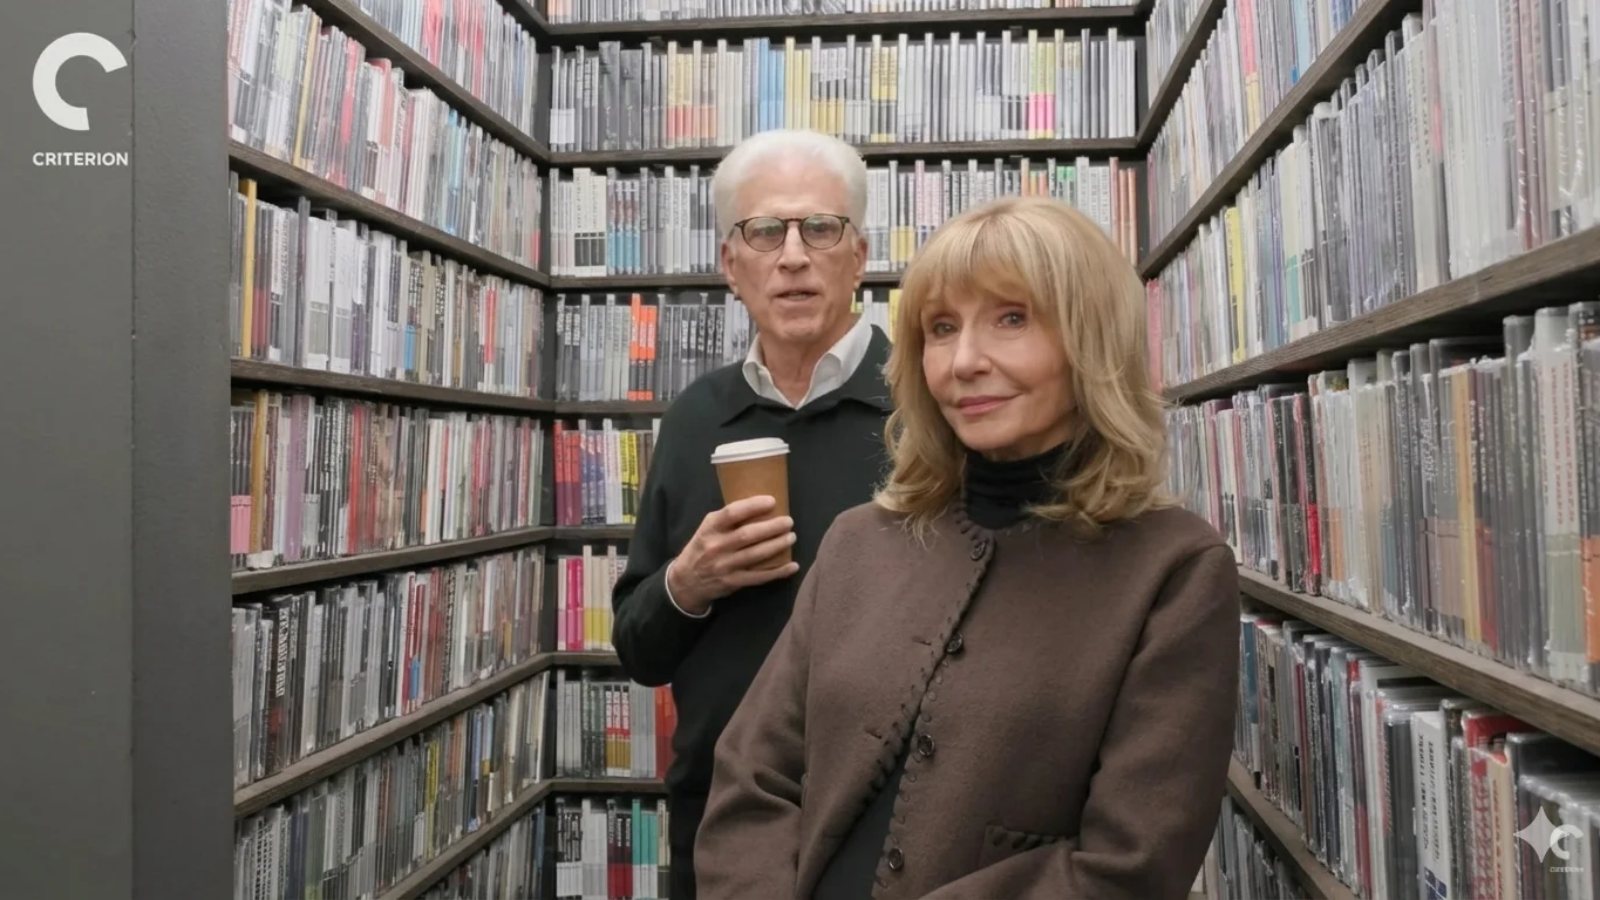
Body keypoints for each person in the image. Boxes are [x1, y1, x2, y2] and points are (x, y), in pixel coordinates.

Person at [692, 195, 1241, 900]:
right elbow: (753, 777)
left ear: (1091, 338)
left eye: (1012, 319)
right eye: (941, 329)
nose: (964, 361)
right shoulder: (860, 542)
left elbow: (1130, 864)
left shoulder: (1174, 569)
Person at [608, 129, 895, 900]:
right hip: (718, 824)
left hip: (891, 832)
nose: (793, 255)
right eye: (765, 231)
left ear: (859, 255)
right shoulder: (697, 418)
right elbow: (639, 648)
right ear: (732, 267)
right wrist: (688, 582)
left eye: (820, 228)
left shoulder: (928, 408)